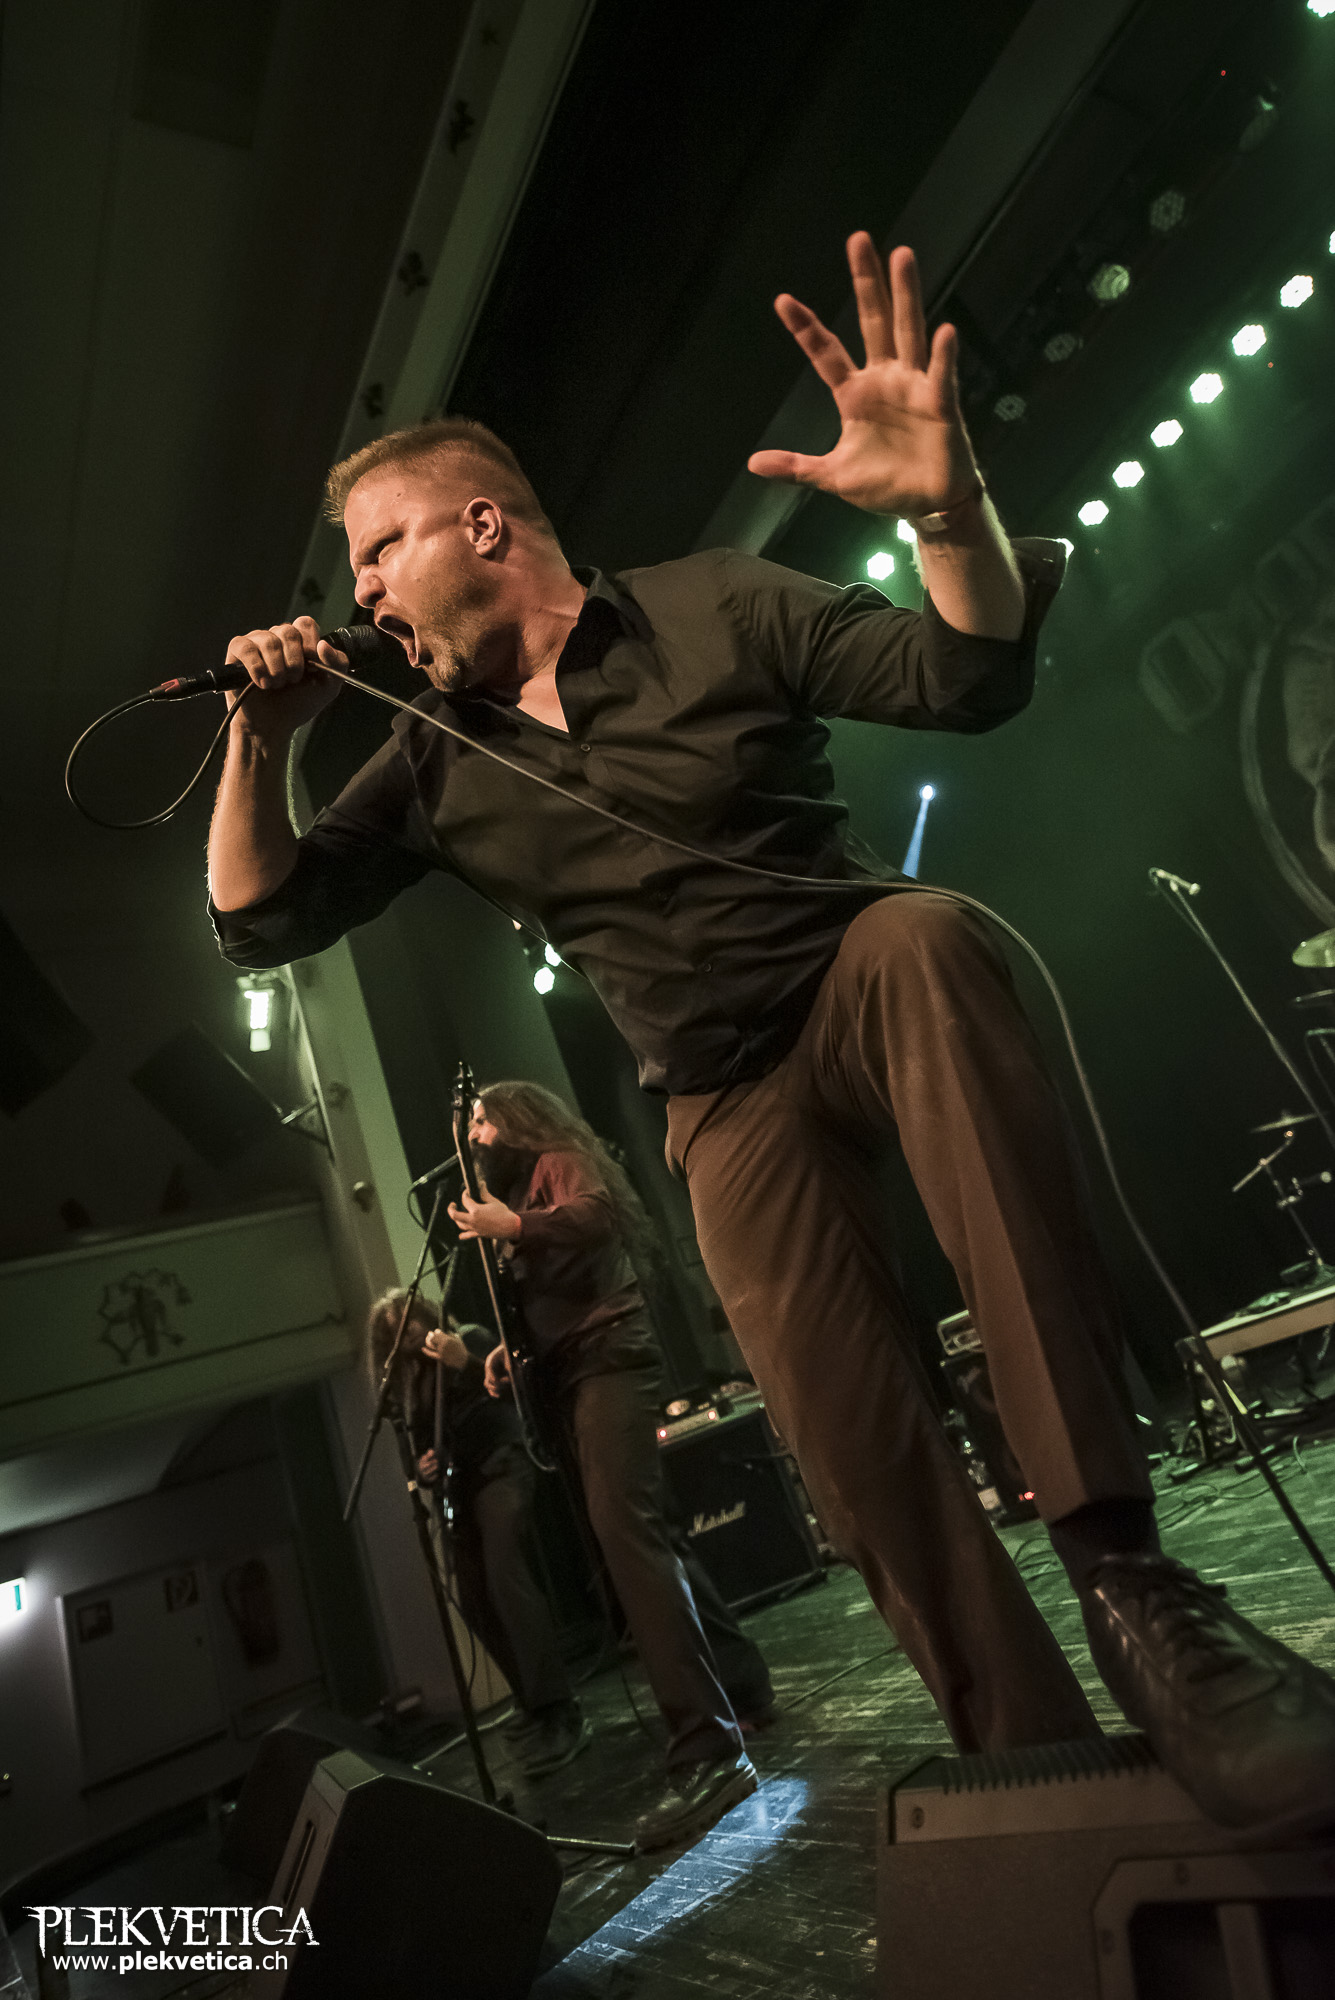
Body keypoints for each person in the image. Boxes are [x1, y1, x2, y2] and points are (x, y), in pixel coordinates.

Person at [209, 233, 1335, 1840]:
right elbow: (259, 918)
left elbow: (964, 673)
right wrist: (257, 743)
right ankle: (1040, 1768)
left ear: (483, 525)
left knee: (923, 935)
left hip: (852, 975)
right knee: (847, 1440)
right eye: (354, 571)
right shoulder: (433, 758)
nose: (363, 590)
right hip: (720, 1101)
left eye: (380, 549)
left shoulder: (709, 603)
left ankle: (1129, 1585)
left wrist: (945, 510)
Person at [445, 1078, 776, 1850]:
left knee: (626, 1533)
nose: (475, 1134)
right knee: (647, 1536)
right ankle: (743, 1684)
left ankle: (706, 1743)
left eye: (485, 1120)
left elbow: (595, 1216)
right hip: (576, 1367)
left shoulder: (558, 1159)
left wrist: (514, 1225)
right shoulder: (517, 1189)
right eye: (472, 1123)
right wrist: (508, 1355)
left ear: (521, 1120)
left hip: (613, 1358)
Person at [365, 1289, 589, 1779]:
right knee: (471, 1595)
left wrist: (465, 1362)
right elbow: (422, 1450)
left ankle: (560, 1708)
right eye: (393, 1327)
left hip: (502, 1465)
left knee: (505, 1575)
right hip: (462, 1488)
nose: (406, 1328)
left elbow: (511, 1392)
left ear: (425, 1312)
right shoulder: (408, 1386)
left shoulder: (468, 1338)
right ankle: (531, 1701)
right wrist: (423, 1469)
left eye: (408, 1316)